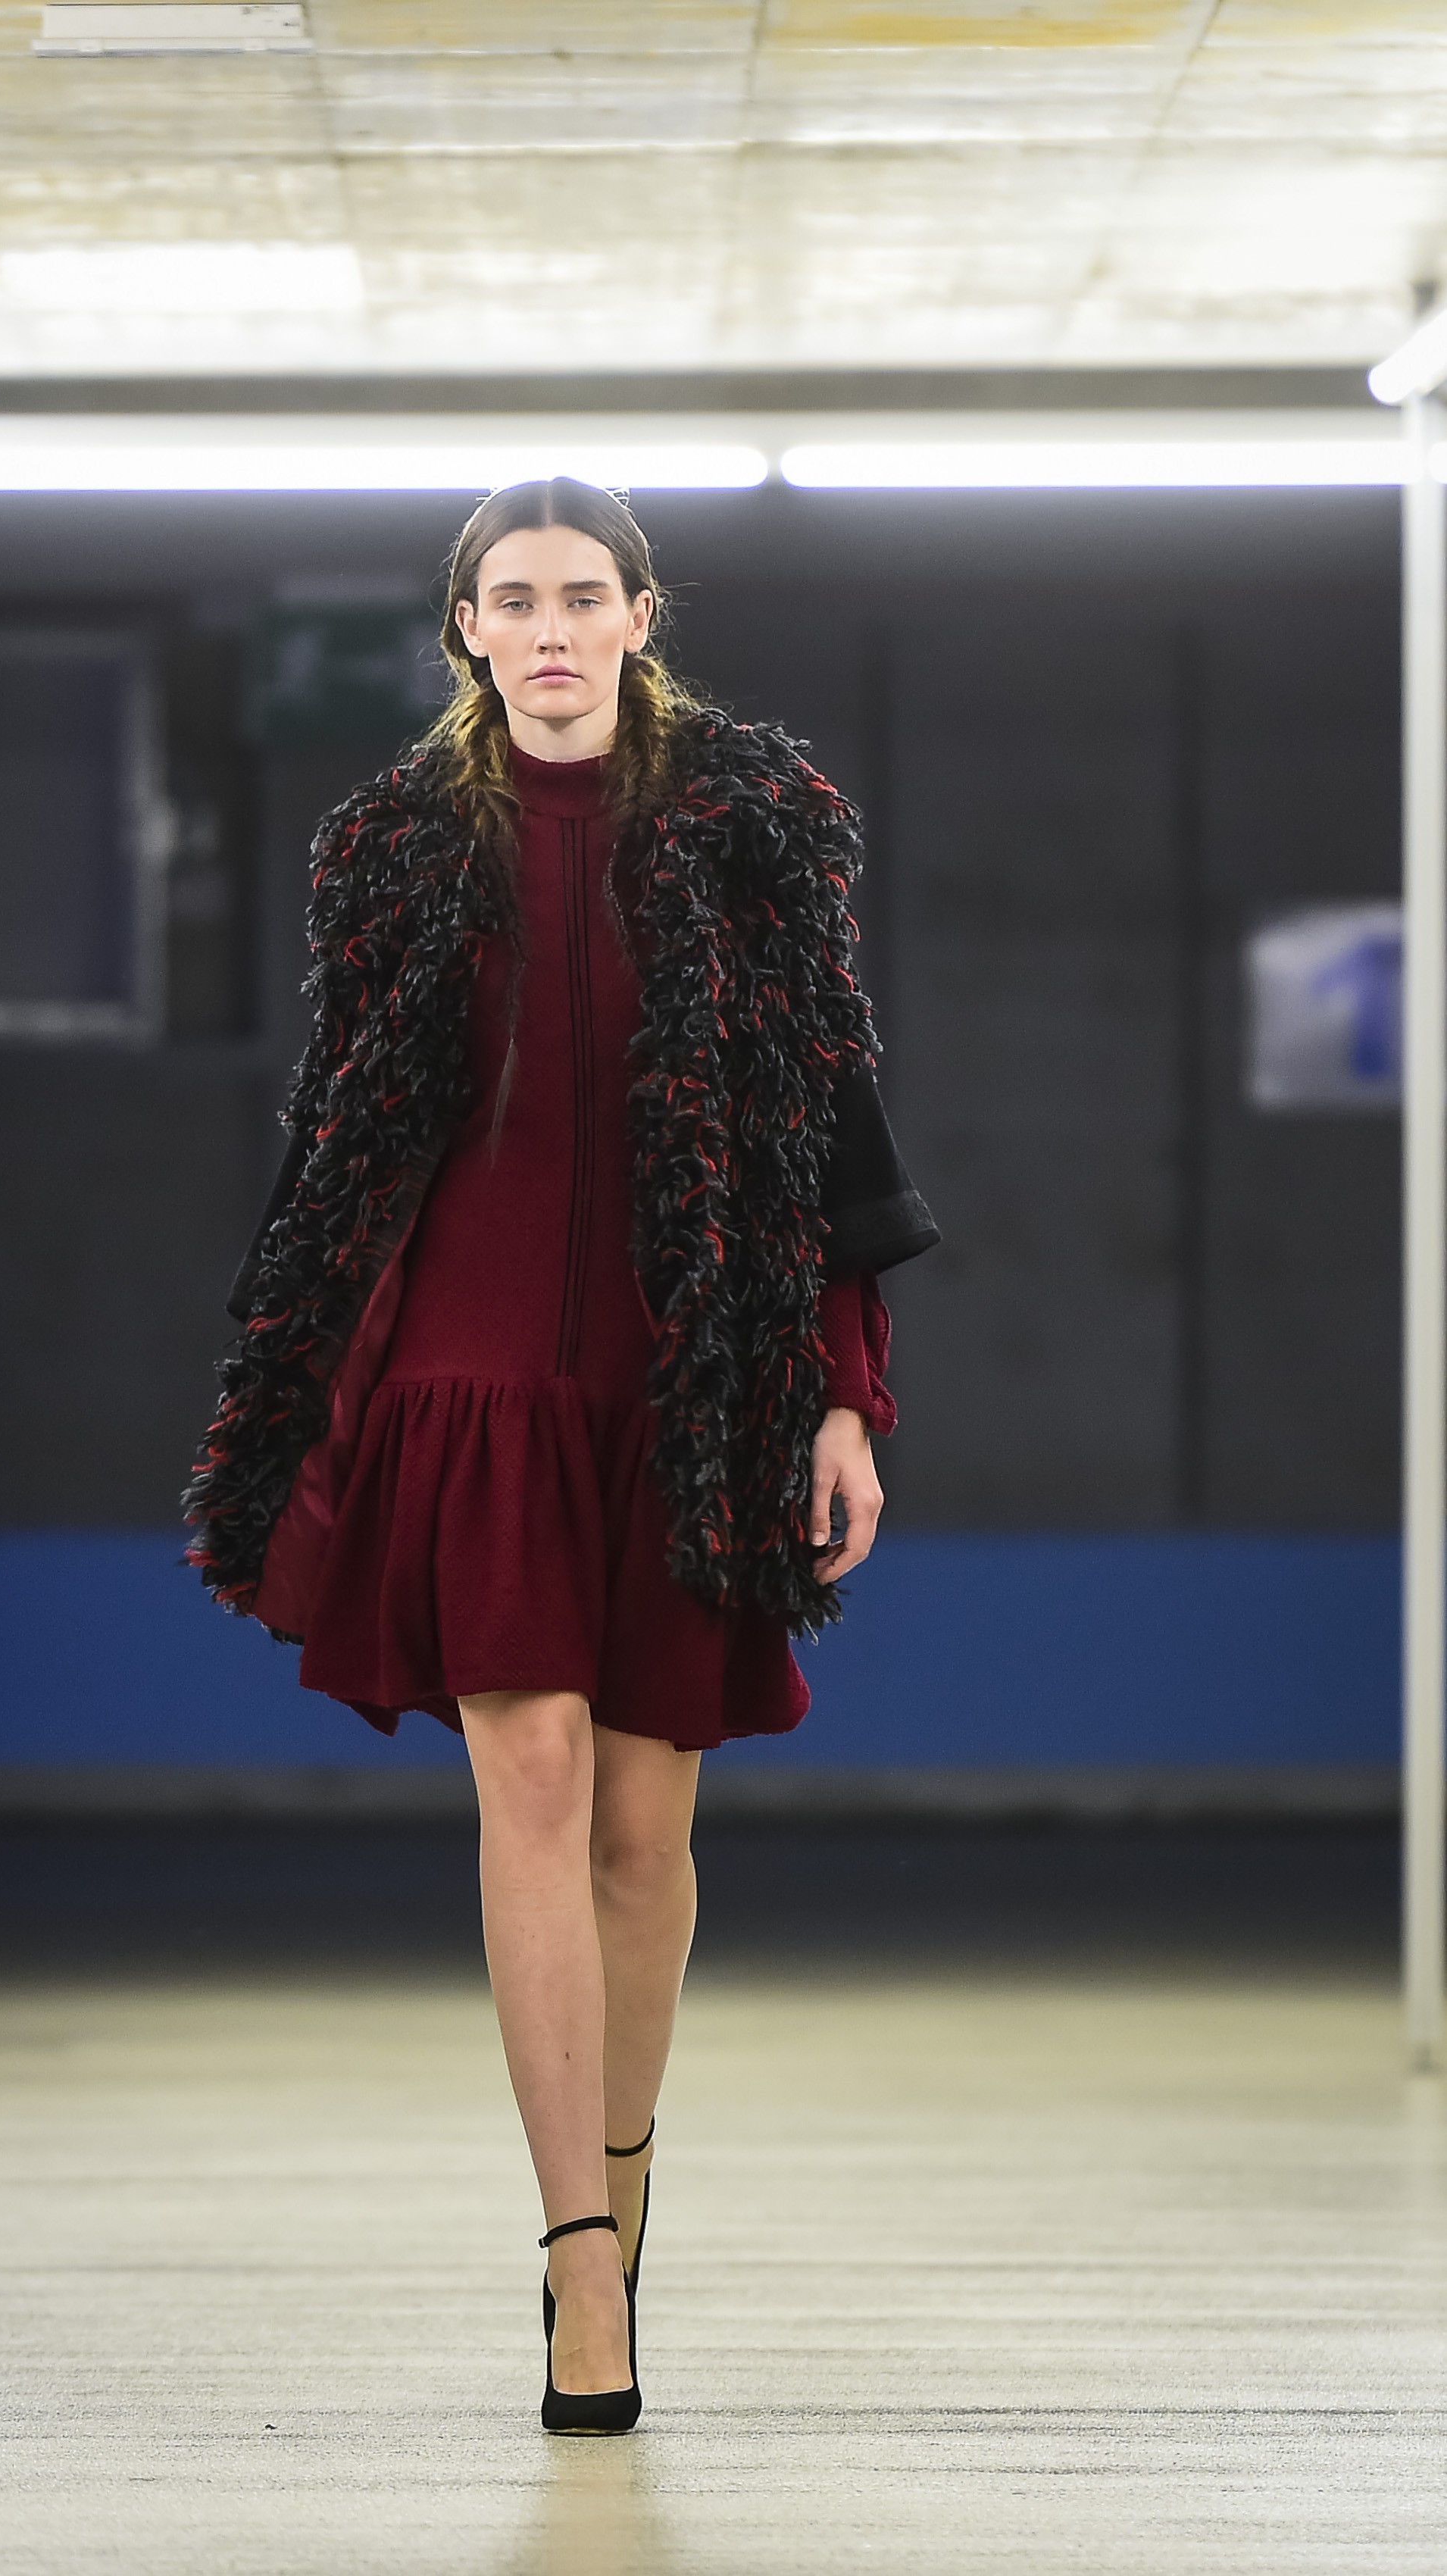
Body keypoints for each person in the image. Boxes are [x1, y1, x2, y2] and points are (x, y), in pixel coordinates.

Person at [186, 477, 938, 2434]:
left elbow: (825, 1124)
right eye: (510, 599)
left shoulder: (751, 826)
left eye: (580, 596)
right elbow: (343, 1125)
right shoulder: (394, 845)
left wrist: (843, 1390)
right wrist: (296, 1380)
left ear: (637, 617)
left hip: (689, 1369)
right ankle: (579, 2264)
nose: (546, 629)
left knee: (641, 1830)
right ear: (463, 629)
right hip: (472, 1358)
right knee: (524, 1769)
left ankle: (621, 2173)